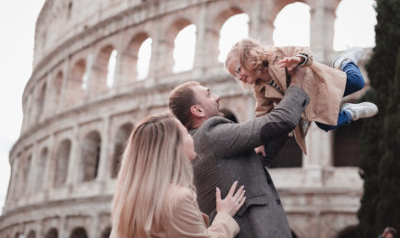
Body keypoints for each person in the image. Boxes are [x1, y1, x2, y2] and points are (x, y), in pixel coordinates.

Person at [169, 65, 310, 238]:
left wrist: (287, 127)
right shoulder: (209, 133)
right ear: (197, 110)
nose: (217, 97)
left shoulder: (199, 143)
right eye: (209, 94)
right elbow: (281, 120)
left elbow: (253, 166)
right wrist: (297, 82)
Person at [225, 38, 378, 154]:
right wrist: (259, 140)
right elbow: (261, 113)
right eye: (234, 76)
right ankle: (350, 113)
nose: (238, 77)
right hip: (309, 104)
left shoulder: (277, 55)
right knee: (326, 124)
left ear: (249, 57)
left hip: (321, 85)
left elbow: (305, 51)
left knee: (357, 82)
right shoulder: (259, 88)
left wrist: (298, 59)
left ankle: (345, 61)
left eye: (238, 70)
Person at [110, 113, 246, 238]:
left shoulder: (128, 199)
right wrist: (224, 215)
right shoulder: (178, 199)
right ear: (174, 146)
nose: (191, 136)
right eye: (186, 133)